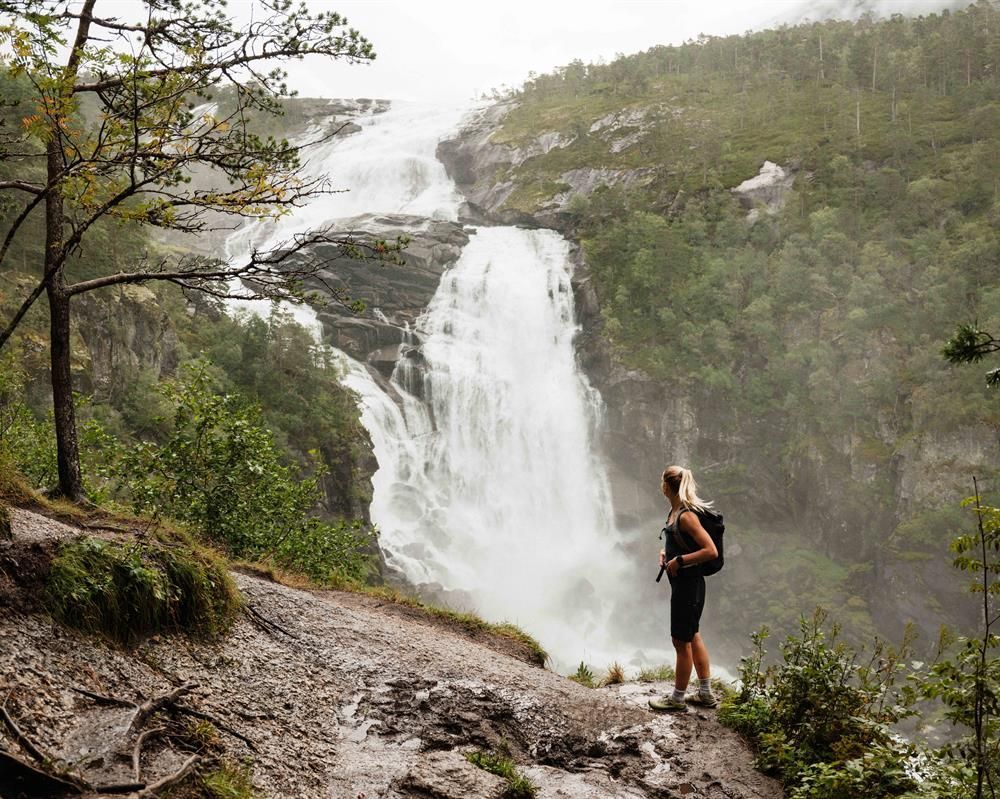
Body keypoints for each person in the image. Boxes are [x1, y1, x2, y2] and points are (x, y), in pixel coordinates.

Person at [649, 465, 719, 713]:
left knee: (680, 641)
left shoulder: (687, 515)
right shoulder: (675, 510)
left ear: (668, 486)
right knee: (693, 635)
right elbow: (680, 540)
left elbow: (711, 551)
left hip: (688, 587)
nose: (661, 486)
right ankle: (705, 694)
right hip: (687, 585)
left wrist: (679, 561)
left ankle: (677, 699)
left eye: (662, 482)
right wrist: (666, 553)